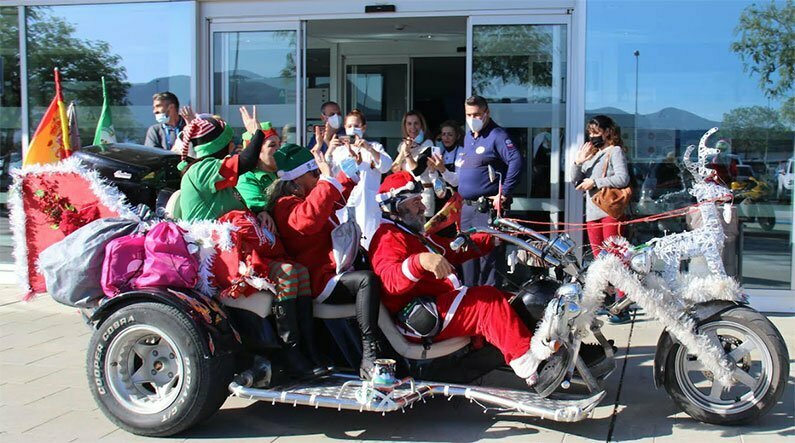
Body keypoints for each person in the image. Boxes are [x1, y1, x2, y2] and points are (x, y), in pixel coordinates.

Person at [368, 171, 570, 396]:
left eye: (420, 201)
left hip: (439, 304)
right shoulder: (387, 237)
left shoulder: (412, 234)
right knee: (488, 303)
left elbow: (452, 249)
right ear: (395, 207)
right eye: (415, 202)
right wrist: (420, 261)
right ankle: (535, 371)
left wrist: (494, 236)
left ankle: (555, 352)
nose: (423, 208)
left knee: (511, 301)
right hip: (420, 316)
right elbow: (389, 279)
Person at [178, 108, 324, 376]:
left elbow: (241, 207)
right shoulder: (202, 169)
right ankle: (289, 355)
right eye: (229, 142)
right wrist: (255, 132)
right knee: (289, 273)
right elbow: (245, 162)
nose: (232, 146)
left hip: (236, 249)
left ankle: (307, 350)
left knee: (300, 272)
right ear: (218, 144)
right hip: (215, 257)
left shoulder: (214, 173)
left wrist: (263, 212)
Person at [268, 143, 384, 379]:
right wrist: (327, 180)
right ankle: (369, 353)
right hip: (319, 278)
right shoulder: (284, 205)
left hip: (334, 269)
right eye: (313, 173)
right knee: (367, 281)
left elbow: (335, 197)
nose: (318, 176)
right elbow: (308, 220)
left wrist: (348, 172)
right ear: (296, 181)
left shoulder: (310, 194)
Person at [458, 95, 524, 287]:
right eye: (469, 115)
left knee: (489, 261)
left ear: (487, 113)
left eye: (477, 114)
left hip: (485, 208)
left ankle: (490, 307)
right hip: (467, 209)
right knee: (467, 259)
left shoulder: (497, 135)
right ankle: (470, 302)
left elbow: (516, 161)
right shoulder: (469, 136)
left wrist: (504, 193)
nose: (473, 119)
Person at [572, 115, 631, 324]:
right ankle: (603, 301)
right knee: (599, 260)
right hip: (592, 212)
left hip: (609, 211)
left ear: (607, 131)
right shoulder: (592, 154)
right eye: (590, 132)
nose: (593, 136)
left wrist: (594, 181)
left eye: (597, 131)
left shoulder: (614, 151)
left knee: (615, 258)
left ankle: (622, 304)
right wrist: (578, 162)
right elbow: (574, 181)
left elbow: (623, 179)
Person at [326, 109, 393, 249]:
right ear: (344, 128)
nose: (353, 129)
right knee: (345, 244)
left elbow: (386, 166)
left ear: (363, 128)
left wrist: (368, 148)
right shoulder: (339, 151)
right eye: (349, 126)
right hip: (344, 203)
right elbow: (328, 174)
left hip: (366, 203)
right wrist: (329, 150)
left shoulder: (374, 147)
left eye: (356, 126)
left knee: (368, 241)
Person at [391, 110, 438, 216]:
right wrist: (403, 151)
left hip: (423, 195)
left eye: (416, 123)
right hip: (406, 195)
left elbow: (417, 170)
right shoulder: (402, 145)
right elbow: (394, 169)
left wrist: (407, 154)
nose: (413, 127)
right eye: (409, 124)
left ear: (422, 125)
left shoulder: (428, 145)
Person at [428, 120, 462, 188]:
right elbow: (434, 180)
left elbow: (457, 181)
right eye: (443, 134)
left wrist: (442, 169)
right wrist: (432, 170)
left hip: (457, 195)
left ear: (457, 136)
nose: (446, 138)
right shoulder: (441, 152)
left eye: (450, 134)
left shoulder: (462, 153)